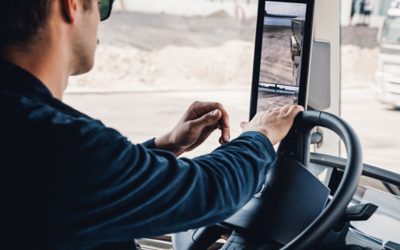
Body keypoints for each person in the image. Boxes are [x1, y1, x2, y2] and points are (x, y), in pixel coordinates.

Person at [0, 1, 303, 249]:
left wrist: (168, 144)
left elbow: (92, 183)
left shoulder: (23, 123)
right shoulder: (59, 141)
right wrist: (260, 135)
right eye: (102, 6)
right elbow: (209, 189)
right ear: (72, 5)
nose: (101, 21)